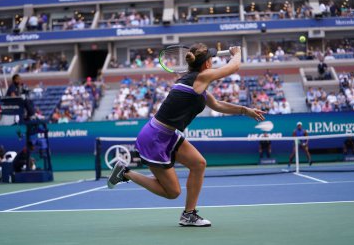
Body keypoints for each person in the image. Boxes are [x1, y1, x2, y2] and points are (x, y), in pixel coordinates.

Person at [107, 44, 266, 227]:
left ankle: (189, 214)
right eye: (211, 58)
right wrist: (237, 53)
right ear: (206, 64)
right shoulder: (199, 78)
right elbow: (233, 67)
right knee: (172, 192)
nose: (213, 61)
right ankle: (126, 173)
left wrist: (245, 110)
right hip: (155, 139)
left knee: (198, 164)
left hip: (168, 134)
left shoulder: (196, 82)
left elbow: (217, 105)